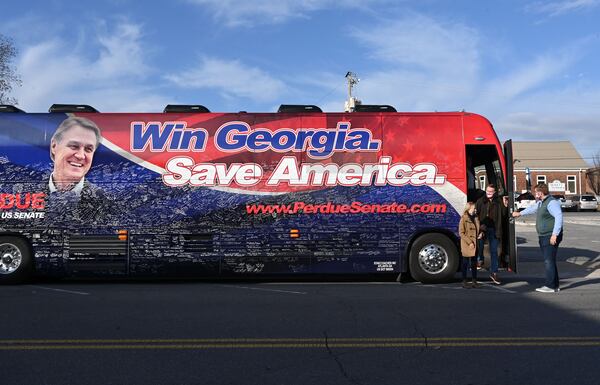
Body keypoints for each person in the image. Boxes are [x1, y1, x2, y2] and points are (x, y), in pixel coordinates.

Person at [45, 116, 111, 222]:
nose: (81, 156)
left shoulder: (106, 202)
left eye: (88, 149)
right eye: (74, 146)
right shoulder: (24, 193)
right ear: (54, 146)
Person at [512, 182, 563, 293]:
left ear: (540, 192)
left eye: (536, 192)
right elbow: (532, 209)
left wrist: (555, 234)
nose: (535, 194)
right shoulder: (541, 203)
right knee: (550, 261)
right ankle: (555, 285)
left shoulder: (551, 202)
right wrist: (519, 214)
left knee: (548, 261)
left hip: (549, 235)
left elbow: (559, 217)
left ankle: (550, 286)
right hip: (544, 235)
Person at [475, 184, 508, 284]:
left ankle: (494, 273)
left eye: (491, 192)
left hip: (495, 229)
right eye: (487, 191)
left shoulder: (498, 202)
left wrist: (505, 205)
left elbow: (503, 214)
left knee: (494, 252)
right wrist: (479, 228)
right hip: (482, 228)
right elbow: (476, 214)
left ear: (494, 192)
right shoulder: (480, 201)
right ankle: (480, 259)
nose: (488, 193)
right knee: (479, 245)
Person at [458, 202, 482, 288]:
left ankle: (474, 281)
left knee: (474, 263)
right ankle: (464, 281)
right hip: (467, 244)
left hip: (475, 243)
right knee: (465, 263)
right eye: (474, 208)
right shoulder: (464, 218)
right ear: (468, 209)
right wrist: (470, 242)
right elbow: (461, 233)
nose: (475, 210)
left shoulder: (475, 217)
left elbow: (477, 229)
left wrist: (480, 233)